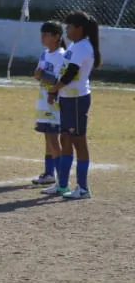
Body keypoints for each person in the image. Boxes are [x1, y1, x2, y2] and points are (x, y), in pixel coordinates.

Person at [45, 11, 101, 199]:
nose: (66, 30)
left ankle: (83, 188)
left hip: (77, 99)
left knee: (78, 141)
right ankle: (62, 185)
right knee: (65, 139)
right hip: (68, 98)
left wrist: (54, 89)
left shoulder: (83, 47)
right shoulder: (74, 46)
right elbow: (64, 72)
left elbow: (70, 75)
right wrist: (57, 91)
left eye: (69, 27)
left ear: (79, 28)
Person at [30, 21, 67, 188]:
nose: (42, 37)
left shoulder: (62, 55)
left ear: (57, 37)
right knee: (47, 138)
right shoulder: (45, 54)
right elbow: (38, 74)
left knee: (54, 139)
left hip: (55, 103)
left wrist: (43, 75)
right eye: (42, 34)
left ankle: (61, 179)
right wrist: (39, 75)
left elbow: (60, 80)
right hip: (44, 101)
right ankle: (49, 173)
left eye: (46, 34)